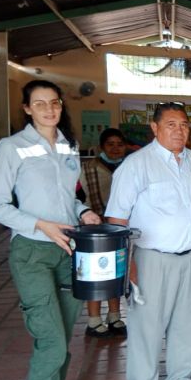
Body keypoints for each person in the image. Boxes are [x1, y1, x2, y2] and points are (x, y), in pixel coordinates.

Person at [0, 80, 101, 380]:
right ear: (27, 109)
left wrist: (83, 210)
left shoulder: (68, 146)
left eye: (54, 103)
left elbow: (67, 197)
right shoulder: (12, 147)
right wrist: (41, 225)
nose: (49, 109)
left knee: (63, 338)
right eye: (40, 104)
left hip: (67, 250)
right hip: (32, 252)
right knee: (50, 342)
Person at [106, 102, 191, 380]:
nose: (179, 131)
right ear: (154, 128)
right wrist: (127, 264)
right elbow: (116, 219)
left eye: (184, 125)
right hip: (150, 258)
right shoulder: (136, 165)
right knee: (147, 326)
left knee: (187, 323)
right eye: (171, 124)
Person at [79, 128, 128, 337]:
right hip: (94, 230)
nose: (115, 148)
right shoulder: (88, 168)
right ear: (101, 147)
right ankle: (94, 320)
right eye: (110, 144)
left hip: (119, 229)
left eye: (120, 144)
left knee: (116, 271)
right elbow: (78, 198)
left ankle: (115, 316)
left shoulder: (129, 166)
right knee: (95, 274)